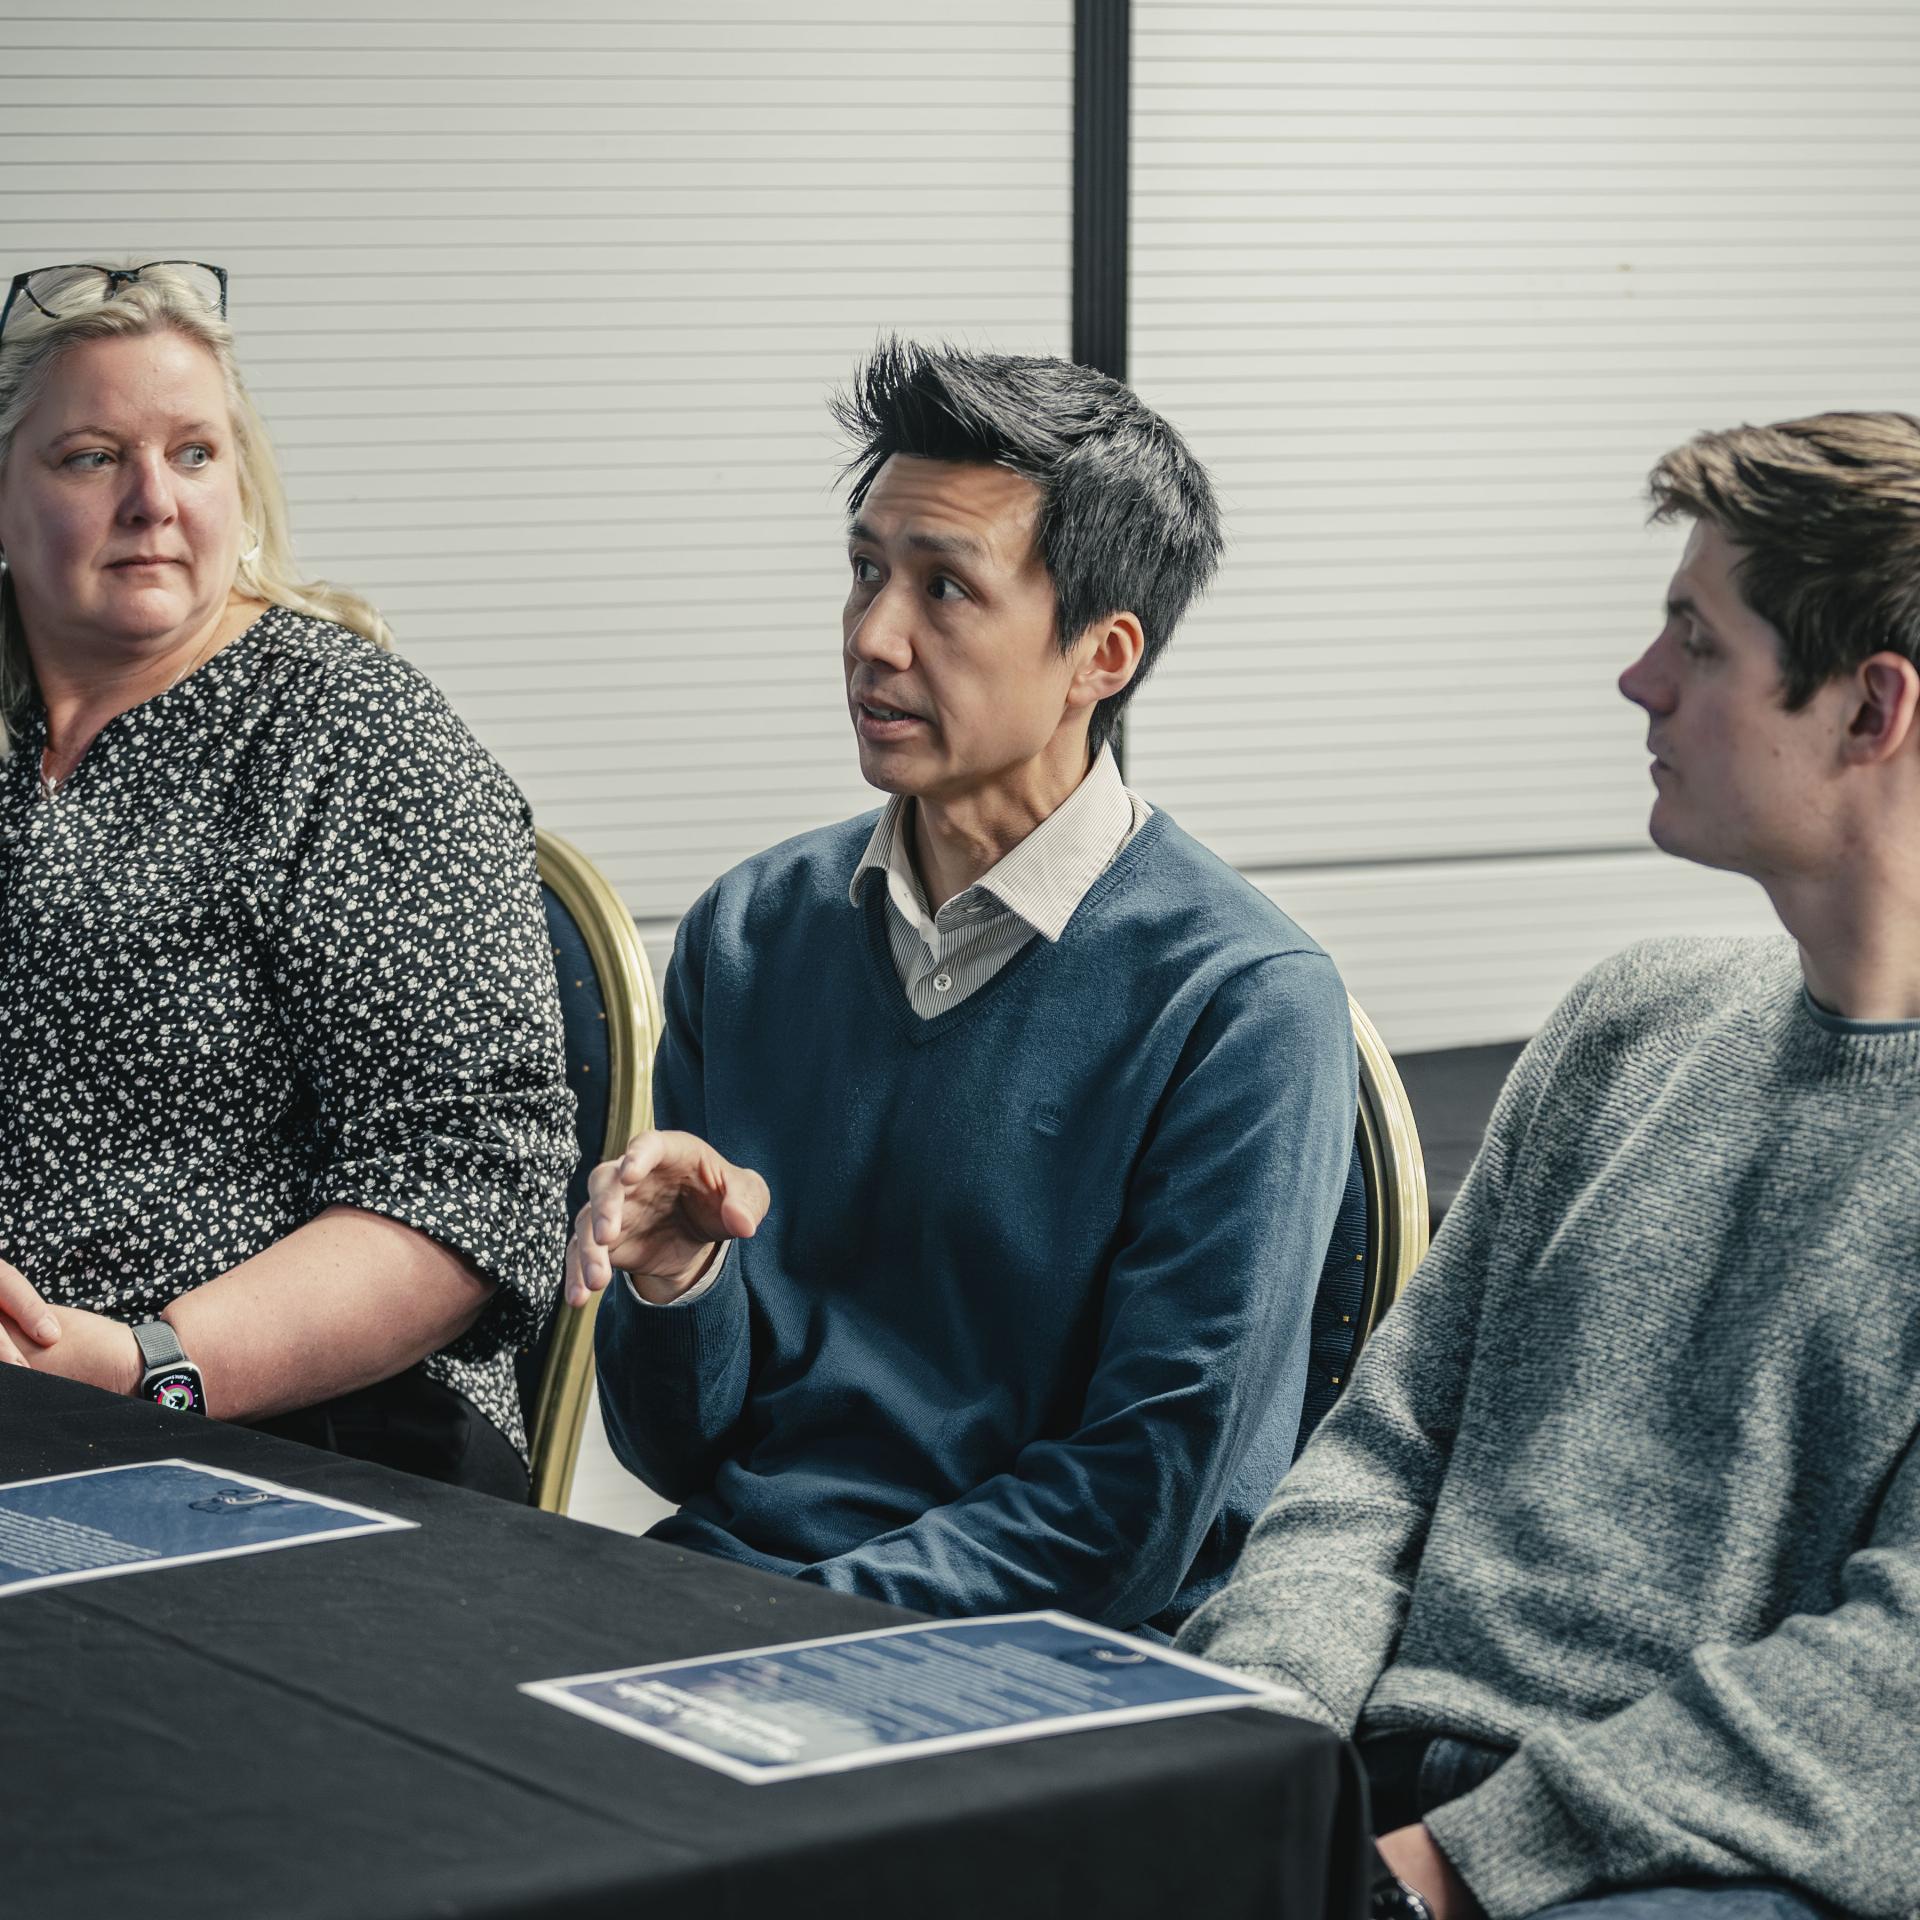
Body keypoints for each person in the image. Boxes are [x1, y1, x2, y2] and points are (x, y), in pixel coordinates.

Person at [1179, 412, 1920, 1919]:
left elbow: (1889, 1695)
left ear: (1870, 710)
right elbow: (1381, 1451)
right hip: (1372, 1783)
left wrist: (1453, 1871)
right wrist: (1259, 1749)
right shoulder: (1628, 1019)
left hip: (1688, 1859)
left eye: (1697, 643)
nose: (1640, 680)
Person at [568, 340, 1360, 1633]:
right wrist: (678, 1291)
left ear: (1102, 656)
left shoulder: (1245, 1006)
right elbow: (684, 1455)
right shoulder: (750, 931)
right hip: (738, 1603)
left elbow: (1136, 1516)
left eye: (946, 590)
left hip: (1032, 1664)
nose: (874, 637)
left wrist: (790, 1622)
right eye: (867, 573)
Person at [0, 260, 574, 1496]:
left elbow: (469, 1186)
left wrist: (146, 1364)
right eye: (91, 456)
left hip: (306, 1430)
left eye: (195, 453)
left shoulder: (356, 742)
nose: (154, 500)